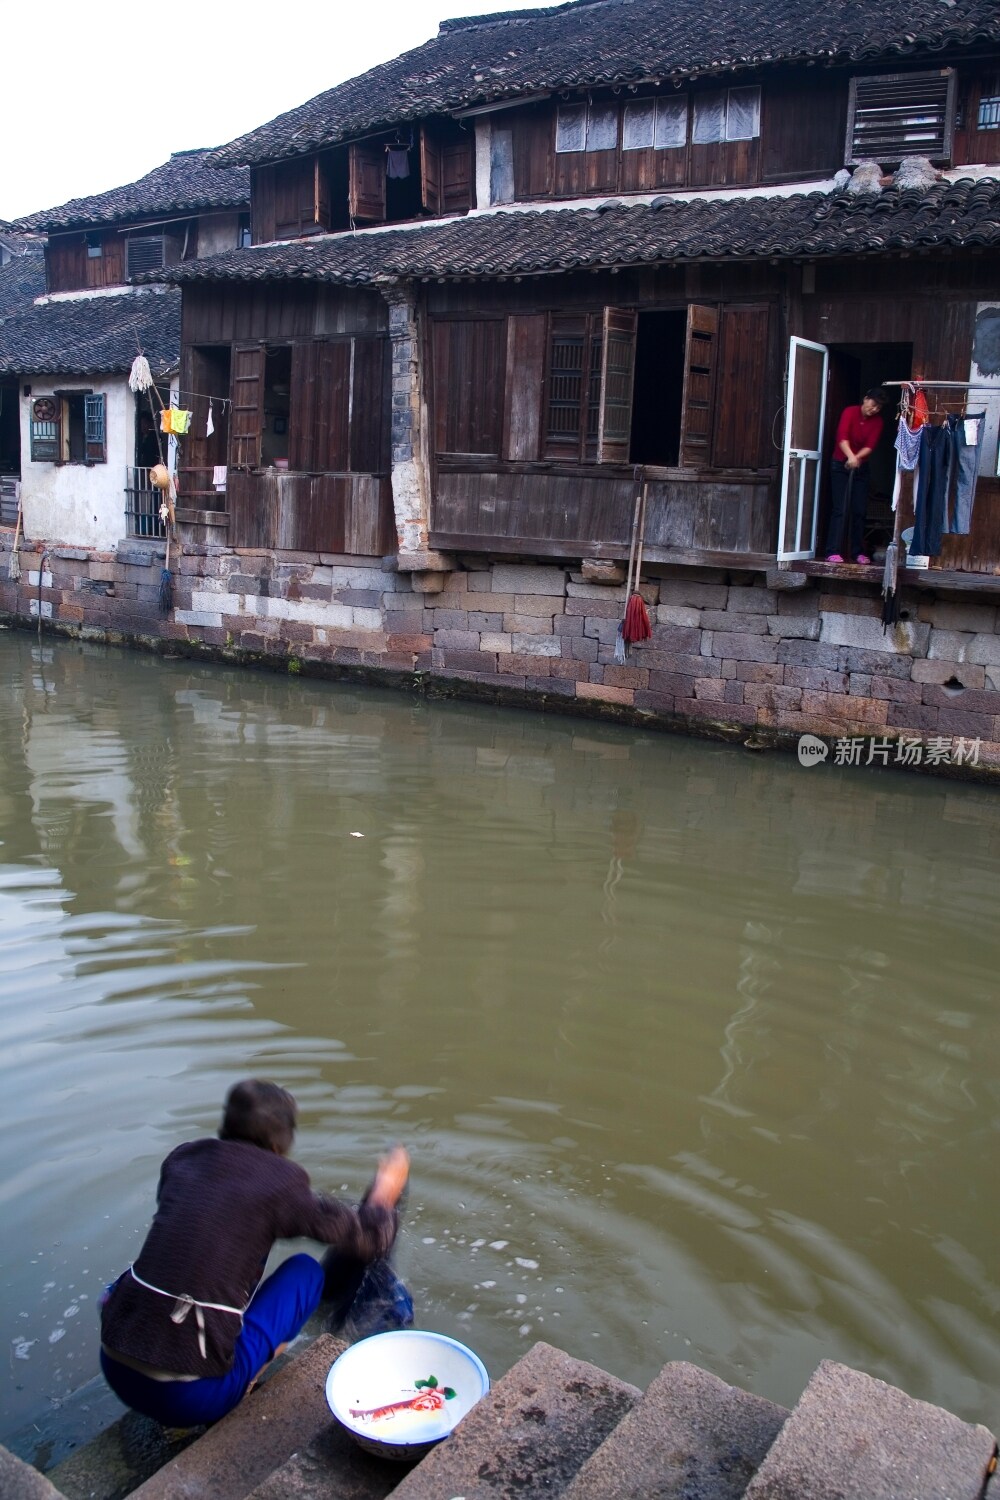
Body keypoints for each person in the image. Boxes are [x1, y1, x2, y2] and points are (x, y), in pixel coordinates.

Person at [99, 1079, 409, 1428]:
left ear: (226, 1124)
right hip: (191, 1399)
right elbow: (369, 1237)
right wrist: (385, 1190)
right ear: (281, 1143)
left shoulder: (183, 1160)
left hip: (115, 1365)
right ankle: (245, 1384)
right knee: (305, 1273)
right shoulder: (279, 1183)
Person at [824, 388, 887, 565]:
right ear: (865, 399)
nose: (874, 409)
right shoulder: (850, 412)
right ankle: (832, 551)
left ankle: (857, 552)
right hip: (840, 464)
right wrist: (850, 456)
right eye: (873, 404)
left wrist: (856, 458)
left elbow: (870, 445)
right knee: (840, 509)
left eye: (878, 407)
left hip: (860, 466)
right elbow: (842, 438)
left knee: (859, 510)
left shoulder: (877, 422)